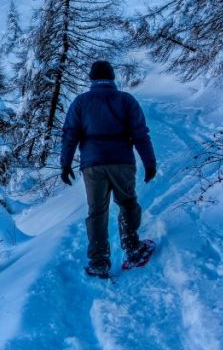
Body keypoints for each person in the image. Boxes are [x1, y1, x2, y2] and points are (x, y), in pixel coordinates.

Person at [60, 60, 156, 278]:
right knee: (127, 203)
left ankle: (99, 262)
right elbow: (141, 134)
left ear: (92, 79)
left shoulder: (81, 102)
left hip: (93, 165)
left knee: (97, 211)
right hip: (122, 161)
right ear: (112, 77)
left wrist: (65, 164)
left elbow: (70, 134)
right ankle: (132, 247)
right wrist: (149, 163)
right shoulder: (125, 100)